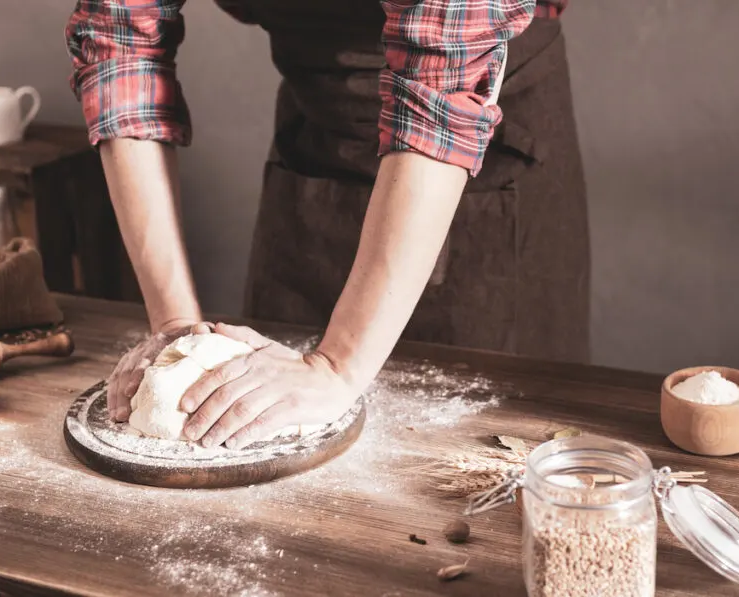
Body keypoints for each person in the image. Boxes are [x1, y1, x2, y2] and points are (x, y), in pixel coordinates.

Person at [65, 0, 588, 450]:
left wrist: (337, 366)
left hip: (486, 151)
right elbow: (122, 49)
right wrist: (177, 332)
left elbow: (441, 91)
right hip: (317, 140)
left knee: (480, 441)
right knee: (263, 441)